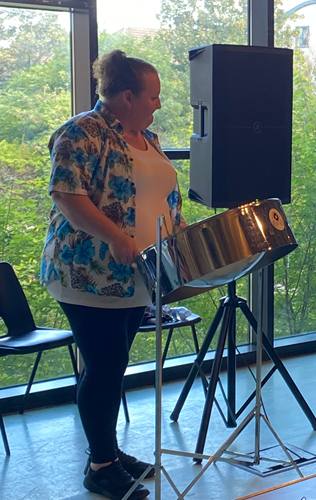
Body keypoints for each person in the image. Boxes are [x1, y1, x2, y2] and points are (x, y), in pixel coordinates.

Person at [41, 50, 183, 500]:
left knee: (114, 364)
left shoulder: (148, 137)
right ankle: (101, 466)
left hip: (135, 277)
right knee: (104, 367)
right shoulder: (81, 132)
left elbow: (162, 196)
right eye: (153, 96)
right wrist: (117, 238)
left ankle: (110, 452)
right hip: (89, 273)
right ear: (127, 95)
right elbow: (68, 196)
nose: (158, 104)